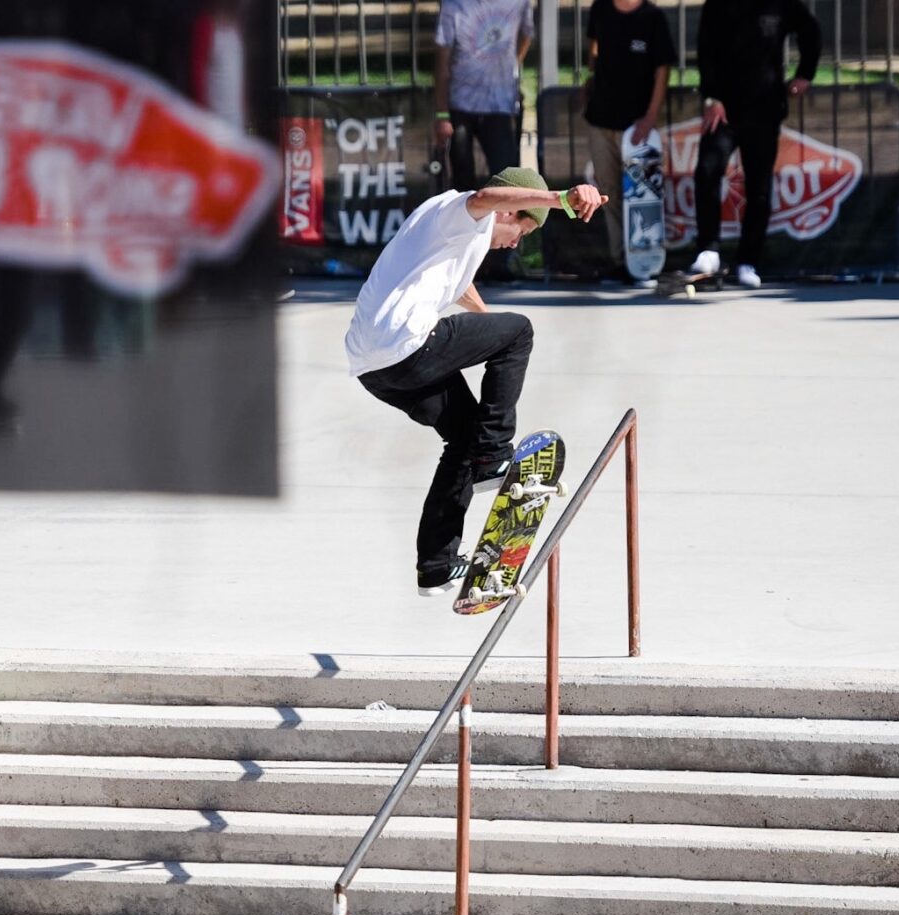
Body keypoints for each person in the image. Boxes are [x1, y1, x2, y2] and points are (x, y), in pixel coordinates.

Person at [344, 168, 605, 594]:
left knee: (464, 437)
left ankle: (436, 564)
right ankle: (493, 456)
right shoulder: (464, 210)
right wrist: (561, 199)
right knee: (520, 330)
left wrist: (488, 333)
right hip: (405, 345)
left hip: (375, 369)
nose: (516, 243)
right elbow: (486, 194)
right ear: (510, 211)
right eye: (521, 230)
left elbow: (462, 290)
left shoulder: (454, 238)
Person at [687, 0, 821, 287]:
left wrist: (805, 74)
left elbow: (810, 29)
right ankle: (708, 249)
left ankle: (748, 261)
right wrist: (712, 97)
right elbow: (706, 50)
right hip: (723, 110)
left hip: (764, 108)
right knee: (707, 170)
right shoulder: (717, 5)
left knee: (759, 187)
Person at [581, 0, 675, 281]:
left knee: (643, 194)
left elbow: (663, 70)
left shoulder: (653, 17)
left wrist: (650, 117)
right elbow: (593, 50)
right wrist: (589, 82)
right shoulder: (600, 9)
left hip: (637, 126)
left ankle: (646, 258)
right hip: (600, 120)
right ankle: (621, 259)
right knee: (608, 191)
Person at [433, 0, 535, 191]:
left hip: (499, 105)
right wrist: (442, 114)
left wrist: (512, 66)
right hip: (461, 104)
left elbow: (526, 34)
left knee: (507, 180)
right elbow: (442, 62)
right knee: (462, 184)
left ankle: (503, 221)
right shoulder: (454, 4)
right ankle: (466, 221)